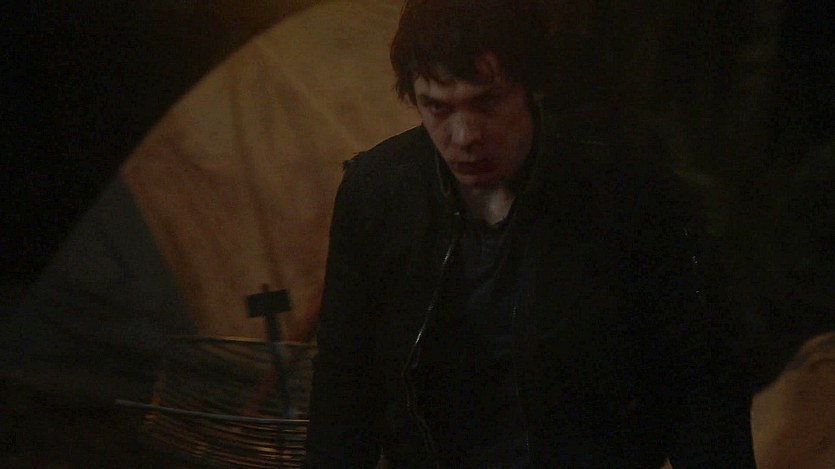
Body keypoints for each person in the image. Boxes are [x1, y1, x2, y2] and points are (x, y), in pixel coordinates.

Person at [304, 1, 755, 467]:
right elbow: (344, 389)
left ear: (533, 88)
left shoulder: (626, 196)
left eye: (487, 103)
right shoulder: (378, 196)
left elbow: (703, 390)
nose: (464, 135)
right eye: (437, 107)